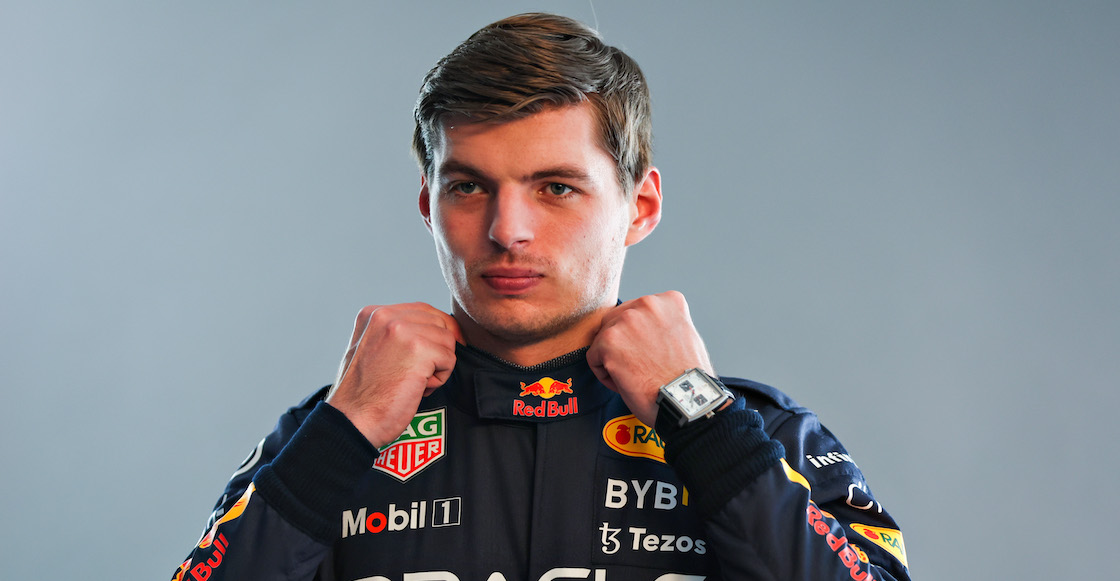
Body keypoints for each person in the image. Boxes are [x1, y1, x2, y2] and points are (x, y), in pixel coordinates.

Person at [172, 13, 910, 581]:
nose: (507, 230)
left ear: (640, 207)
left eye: (555, 187)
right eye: (469, 187)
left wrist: (702, 421)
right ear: (429, 205)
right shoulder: (327, 433)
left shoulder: (763, 435)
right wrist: (346, 430)